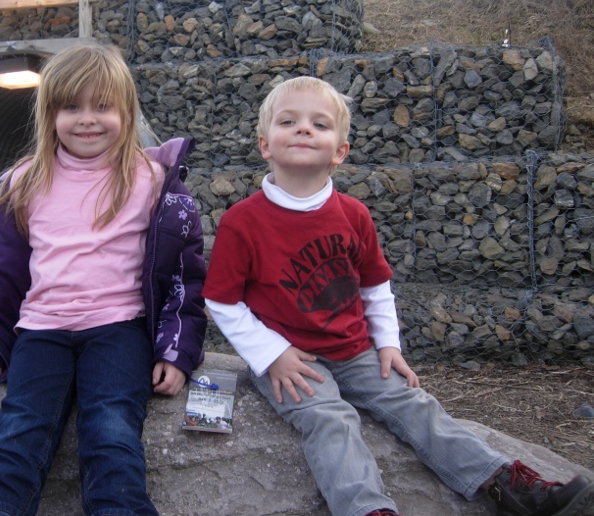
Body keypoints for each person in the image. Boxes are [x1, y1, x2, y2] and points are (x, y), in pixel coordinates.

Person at [202, 76, 594, 516]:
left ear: (340, 152)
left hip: (355, 352)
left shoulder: (353, 214)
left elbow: (374, 286)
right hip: (292, 359)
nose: (304, 129)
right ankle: (369, 510)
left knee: (416, 406)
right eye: (288, 121)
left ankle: (507, 487)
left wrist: (388, 346)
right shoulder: (243, 221)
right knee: (331, 420)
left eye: (320, 124)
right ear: (265, 145)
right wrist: (271, 354)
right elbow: (221, 299)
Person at [0, 43, 207, 516]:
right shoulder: (23, 182)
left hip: (119, 329)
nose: (87, 119)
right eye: (71, 106)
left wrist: (176, 349)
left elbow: (183, 276)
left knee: (111, 431)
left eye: (103, 106)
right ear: (49, 114)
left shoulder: (151, 180)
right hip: (41, 330)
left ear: (126, 111)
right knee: (18, 433)